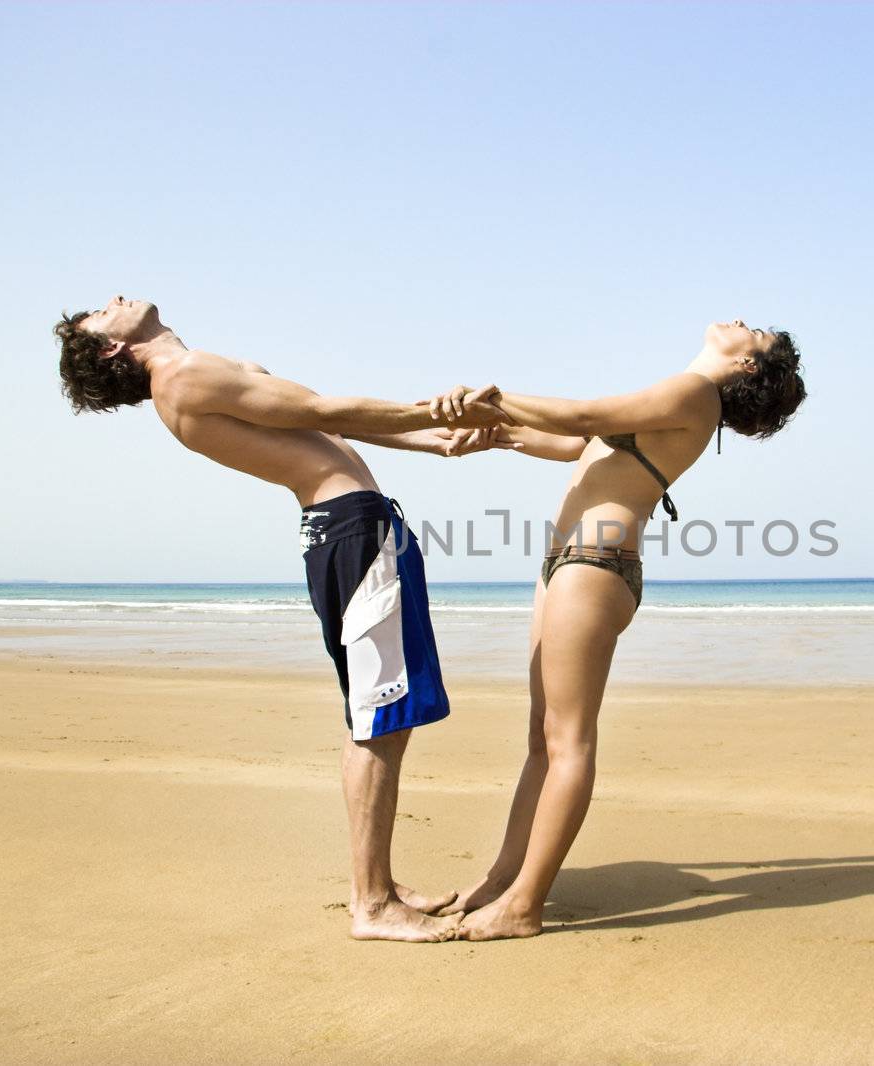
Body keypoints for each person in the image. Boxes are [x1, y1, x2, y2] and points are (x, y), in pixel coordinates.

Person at [54, 295, 506, 942]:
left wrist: (432, 441)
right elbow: (324, 412)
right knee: (379, 719)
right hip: (352, 532)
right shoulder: (182, 377)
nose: (113, 300)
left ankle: (374, 882)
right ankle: (373, 904)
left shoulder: (202, 370)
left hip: (354, 528)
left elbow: (323, 421)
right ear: (109, 349)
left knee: (380, 717)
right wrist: (433, 407)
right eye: (98, 314)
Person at [421, 319, 806, 940]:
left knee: (568, 742)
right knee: (541, 742)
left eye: (755, 333)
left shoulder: (696, 394)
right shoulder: (680, 395)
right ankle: (501, 881)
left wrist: (493, 397)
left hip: (594, 568)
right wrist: (500, 434)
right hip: (568, 567)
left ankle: (525, 905)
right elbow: (579, 444)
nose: (742, 323)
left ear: (750, 367)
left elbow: (581, 416)